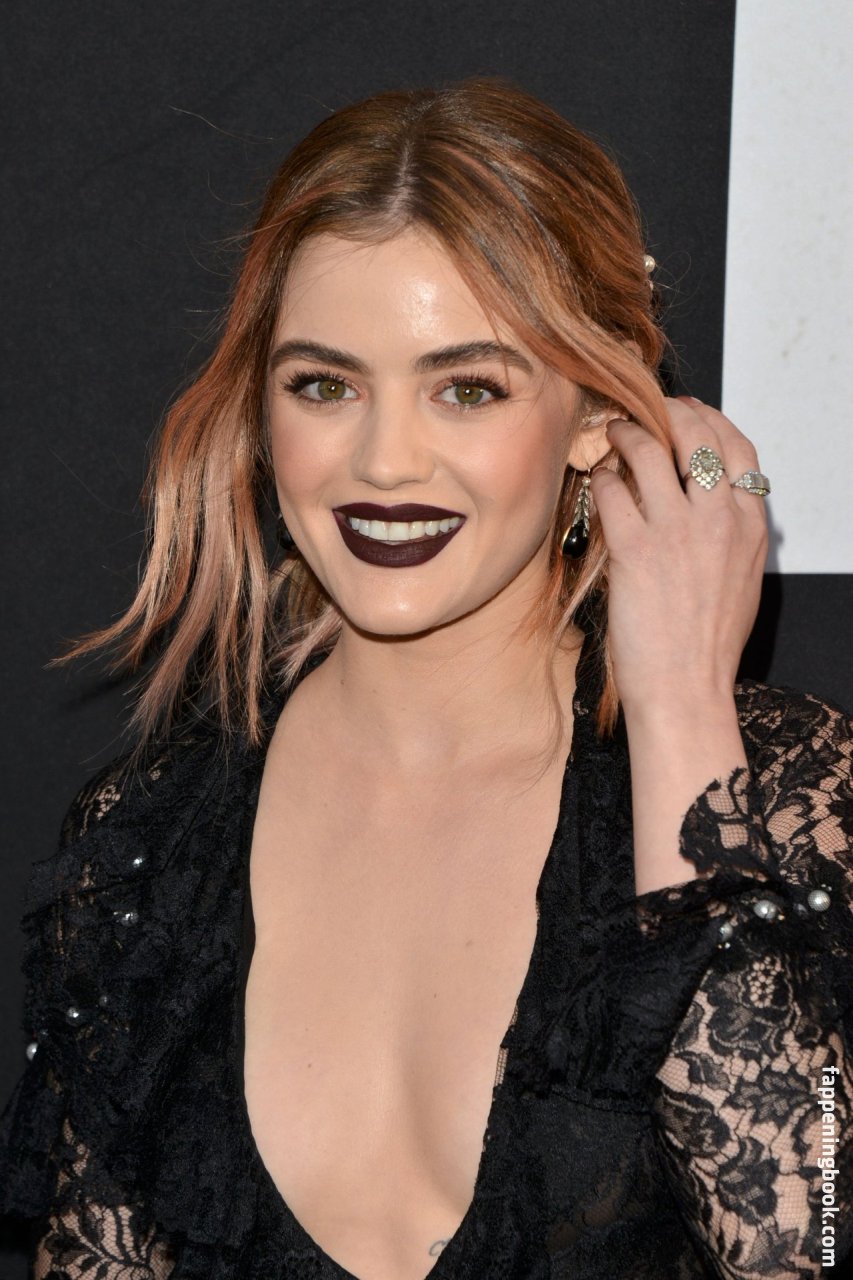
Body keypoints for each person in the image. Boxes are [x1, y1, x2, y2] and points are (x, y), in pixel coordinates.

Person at [0, 77, 850, 1280]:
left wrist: (677, 706)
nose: (384, 459)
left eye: (467, 387)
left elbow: (803, 1246)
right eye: (323, 384)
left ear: (596, 413)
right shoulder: (147, 845)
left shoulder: (788, 795)